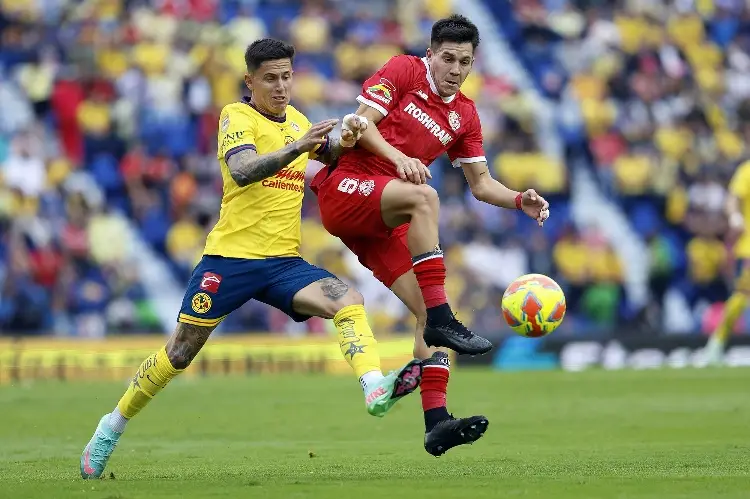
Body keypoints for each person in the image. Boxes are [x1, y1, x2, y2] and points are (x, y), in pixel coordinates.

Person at [80, 38, 422, 479]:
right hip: (230, 260)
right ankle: (111, 426)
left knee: (347, 297)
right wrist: (301, 146)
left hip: (283, 264)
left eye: (287, 76)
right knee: (180, 352)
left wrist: (346, 140)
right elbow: (243, 170)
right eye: (270, 78)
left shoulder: (298, 121)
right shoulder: (236, 116)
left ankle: (374, 388)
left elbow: (328, 157)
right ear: (250, 80)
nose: (281, 87)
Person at [311, 15, 550, 456]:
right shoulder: (403, 70)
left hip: (382, 221)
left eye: (465, 61)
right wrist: (399, 158)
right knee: (426, 198)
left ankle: (436, 424)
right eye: (448, 58)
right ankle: (443, 318)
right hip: (347, 190)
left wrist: (519, 199)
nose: (456, 69)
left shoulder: (466, 115)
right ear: (431, 54)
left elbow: (480, 184)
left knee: (427, 313)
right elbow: (360, 123)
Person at [705, 160, 750, 364]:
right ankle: (717, 342)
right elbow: (732, 198)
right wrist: (735, 216)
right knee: (742, 295)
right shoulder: (747, 170)